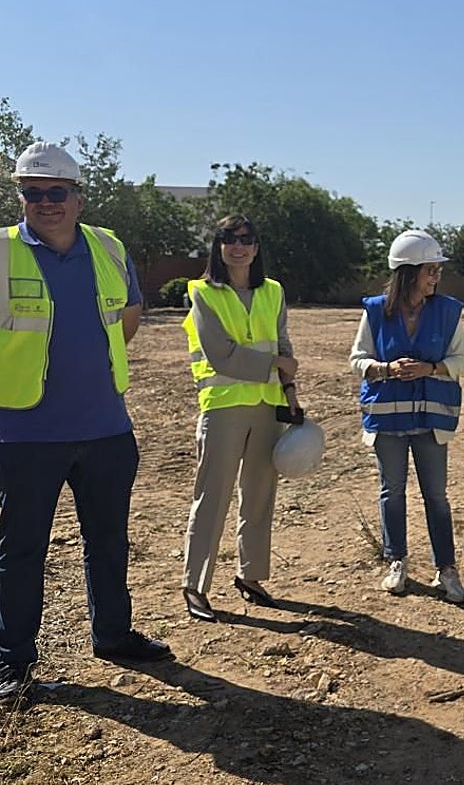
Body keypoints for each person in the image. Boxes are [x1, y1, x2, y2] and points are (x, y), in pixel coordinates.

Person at [0, 142, 172, 701]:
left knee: (109, 540)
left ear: (78, 197)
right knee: (21, 549)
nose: (45, 202)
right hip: (24, 434)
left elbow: (128, 317)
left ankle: (114, 636)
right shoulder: (1, 253)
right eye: (33, 192)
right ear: (20, 195)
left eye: (56, 192)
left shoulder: (108, 246)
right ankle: (13, 662)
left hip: (105, 428)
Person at [179, 214, 302, 621]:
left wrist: (291, 394)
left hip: (268, 406)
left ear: (257, 246)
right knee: (212, 496)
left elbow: (285, 344)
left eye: (246, 239)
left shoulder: (273, 292)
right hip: (224, 406)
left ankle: (250, 575)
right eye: (229, 239)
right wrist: (277, 364)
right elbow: (221, 354)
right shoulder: (202, 292)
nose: (238, 247)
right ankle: (195, 585)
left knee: (260, 494)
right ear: (217, 246)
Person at [350, 230, 464, 603]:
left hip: (431, 420)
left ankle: (445, 569)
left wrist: (430, 368)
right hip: (388, 421)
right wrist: (384, 369)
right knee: (393, 493)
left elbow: (460, 360)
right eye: (430, 270)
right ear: (408, 273)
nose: (436, 277)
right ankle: (396, 562)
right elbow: (357, 359)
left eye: (437, 270)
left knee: (436, 496)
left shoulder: (447, 311)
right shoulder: (374, 311)